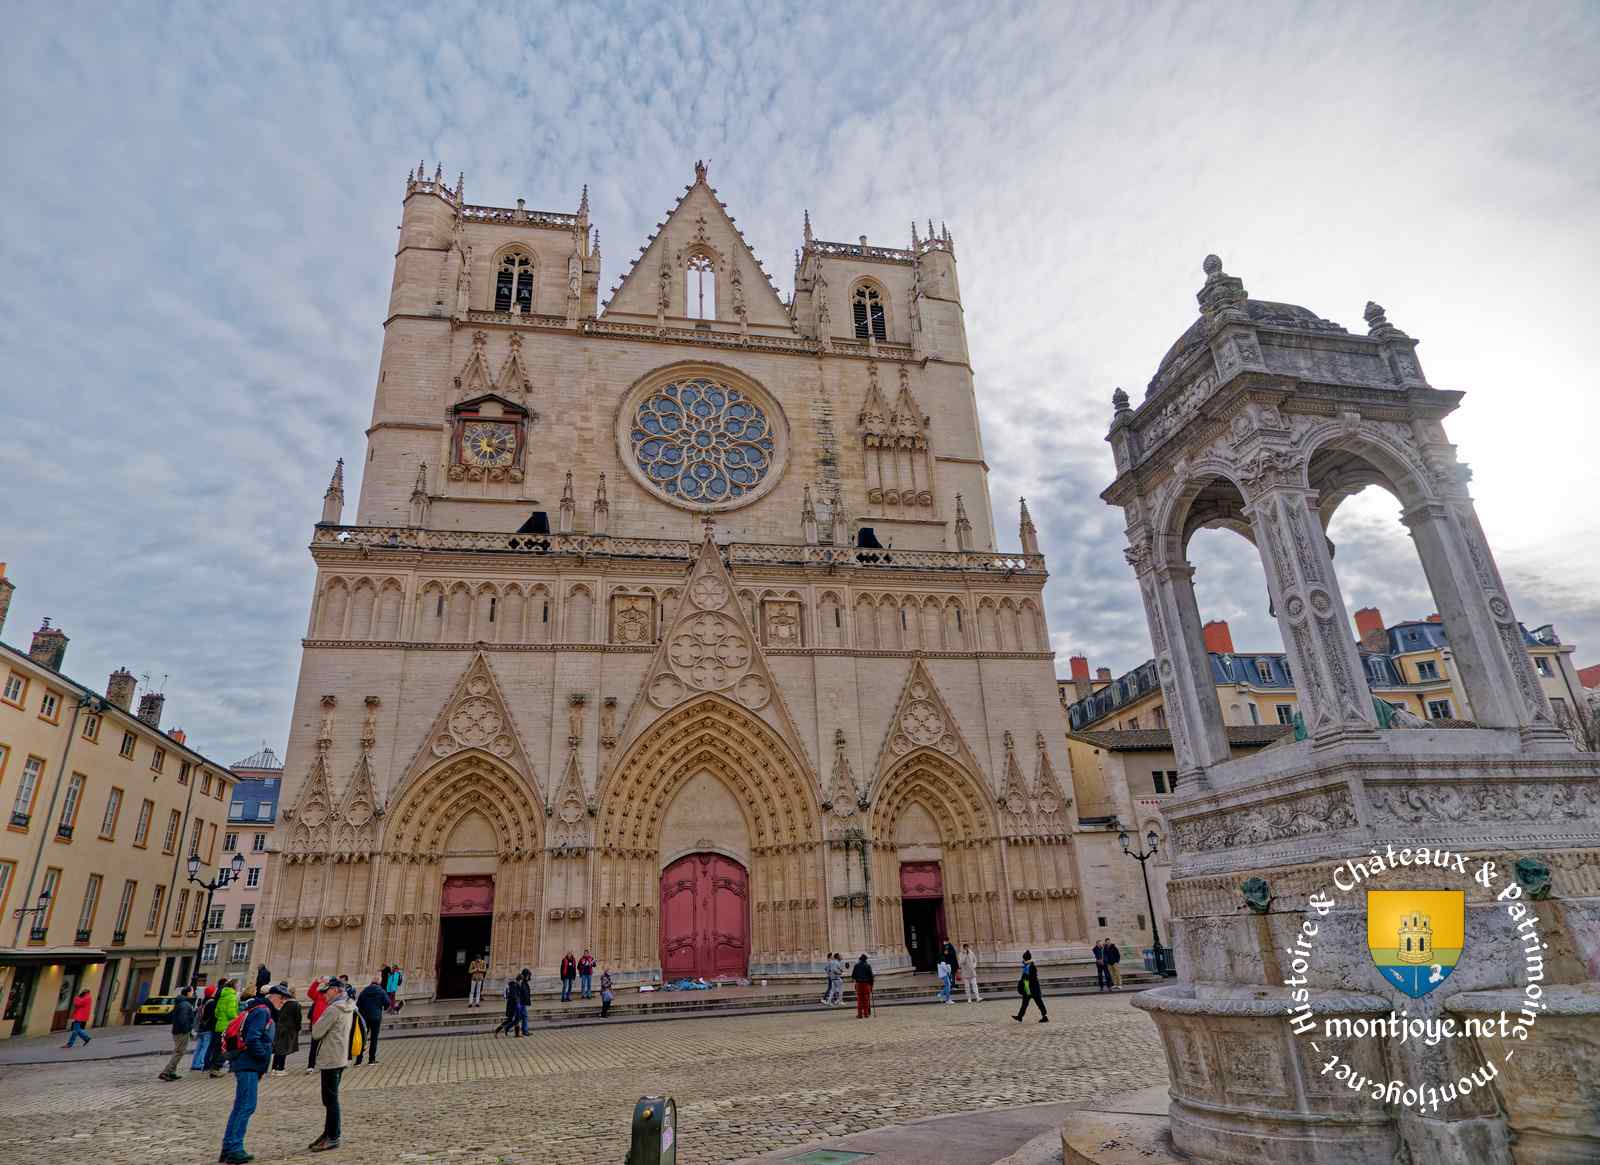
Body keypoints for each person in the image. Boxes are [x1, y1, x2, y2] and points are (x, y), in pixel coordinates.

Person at [218, 984, 283, 1164]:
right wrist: (263, 1057)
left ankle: (228, 1148)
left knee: (241, 1106)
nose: (283, 1003)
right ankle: (235, 1149)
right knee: (246, 1106)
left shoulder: (255, 1008)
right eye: (281, 999)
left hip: (245, 1063)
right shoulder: (262, 1012)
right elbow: (252, 1038)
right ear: (273, 997)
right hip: (248, 1064)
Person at [309, 978, 356, 1152]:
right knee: (330, 1099)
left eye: (326, 991)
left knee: (331, 1100)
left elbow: (316, 1032)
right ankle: (328, 1133)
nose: (324, 994)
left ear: (336, 990)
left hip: (331, 1058)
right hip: (340, 1057)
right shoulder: (349, 1006)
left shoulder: (334, 1009)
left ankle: (333, 1136)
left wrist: (319, 1020)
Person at [158, 987, 195, 1080]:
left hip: (177, 1030)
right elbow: (183, 1019)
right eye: (192, 991)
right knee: (179, 1052)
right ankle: (166, 1072)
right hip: (182, 1031)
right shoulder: (185, 1004)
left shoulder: (180, 1002)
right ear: (188, 993)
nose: (193, 993)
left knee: (177, 1051)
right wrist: (187, 1030)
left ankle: (172, 1072)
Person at [354, 975, 389, 1065]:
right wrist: (383, 1008)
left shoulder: (365, 991)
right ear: (379, 982)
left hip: (365, 1018)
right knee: (374, 1038)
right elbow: (387, 1003)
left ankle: (358, 1061)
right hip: (376, 1017)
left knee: (363, 1038)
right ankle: (371, 1059)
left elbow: (358, 1004)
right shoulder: (381, 991)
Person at [210, 978, 240, 1077]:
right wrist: (238, 1018)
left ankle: (213, 1068)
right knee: (228, 1049)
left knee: (218, 1048)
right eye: (238, 985)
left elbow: (216, 1012)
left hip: (219, 1025)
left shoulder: (222, 995)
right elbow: (231, 1013)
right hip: (228, 1026)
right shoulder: (232, 996)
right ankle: (216, 1068)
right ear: (234, 986)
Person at [271, 982, 303, 1075]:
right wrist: (298, 1028)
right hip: (289, 1029)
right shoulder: (295, 1004)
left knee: (278, 1048)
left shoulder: (283, 1003)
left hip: (280, 1027)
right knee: (283, 1049)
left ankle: (274, 1068)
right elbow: (298, 1018)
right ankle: (280, 1068)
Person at [1013, 950, 1048, 1023]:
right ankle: (1020, 1016)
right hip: (1031, 988)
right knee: (1027, 1003)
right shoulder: (1029, 966)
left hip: (1030, 989)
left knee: (1037, 1003)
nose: (1023, 960)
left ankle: (1044, 1016)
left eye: (1023, 958)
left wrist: (1025, 986)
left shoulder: (1029, 967)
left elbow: (1028, 979)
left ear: (1025, 959)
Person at [192, 984, 218, 1071]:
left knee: (199, 1047)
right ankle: (200, 1063)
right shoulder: (212, 1003)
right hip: (208, 1027)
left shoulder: (203, 1001)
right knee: (205, 1047)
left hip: (201, 1027)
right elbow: (212, 1016)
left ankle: (194, 1063)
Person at [305, 977, 328, 1072]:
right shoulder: (318, 995)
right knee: (314, 1046)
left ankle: (324, 1064)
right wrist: (317, 982)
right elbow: (310, 993)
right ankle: (311, 1066)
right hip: (317, 1024)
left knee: (326, 1046)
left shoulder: (333, 999)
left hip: (327, 1024)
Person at [851, 954, 875, 1018]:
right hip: (866, 984)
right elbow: (871, 977)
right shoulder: (868, 966)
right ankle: (866, 1014)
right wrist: (872, 985)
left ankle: (860, 1014)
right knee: (866, 999)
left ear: (860, 959)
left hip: (859, 984)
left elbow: (853, 976)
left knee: (859, 1000)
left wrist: (857, 980)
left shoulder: (856, 965)